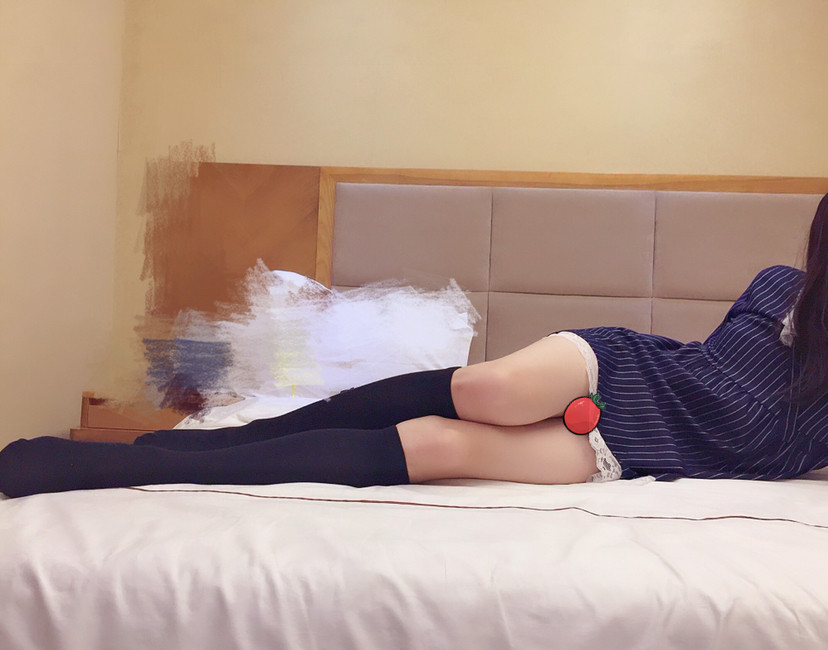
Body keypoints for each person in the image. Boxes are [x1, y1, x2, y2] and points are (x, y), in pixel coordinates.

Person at [2, 195, 828, 498]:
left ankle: (158, 464)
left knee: (438, 447)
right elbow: (708, 370)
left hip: (643, 450)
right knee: (489, 392)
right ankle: (171, 451)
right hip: (628, 371)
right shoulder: (777, 288)